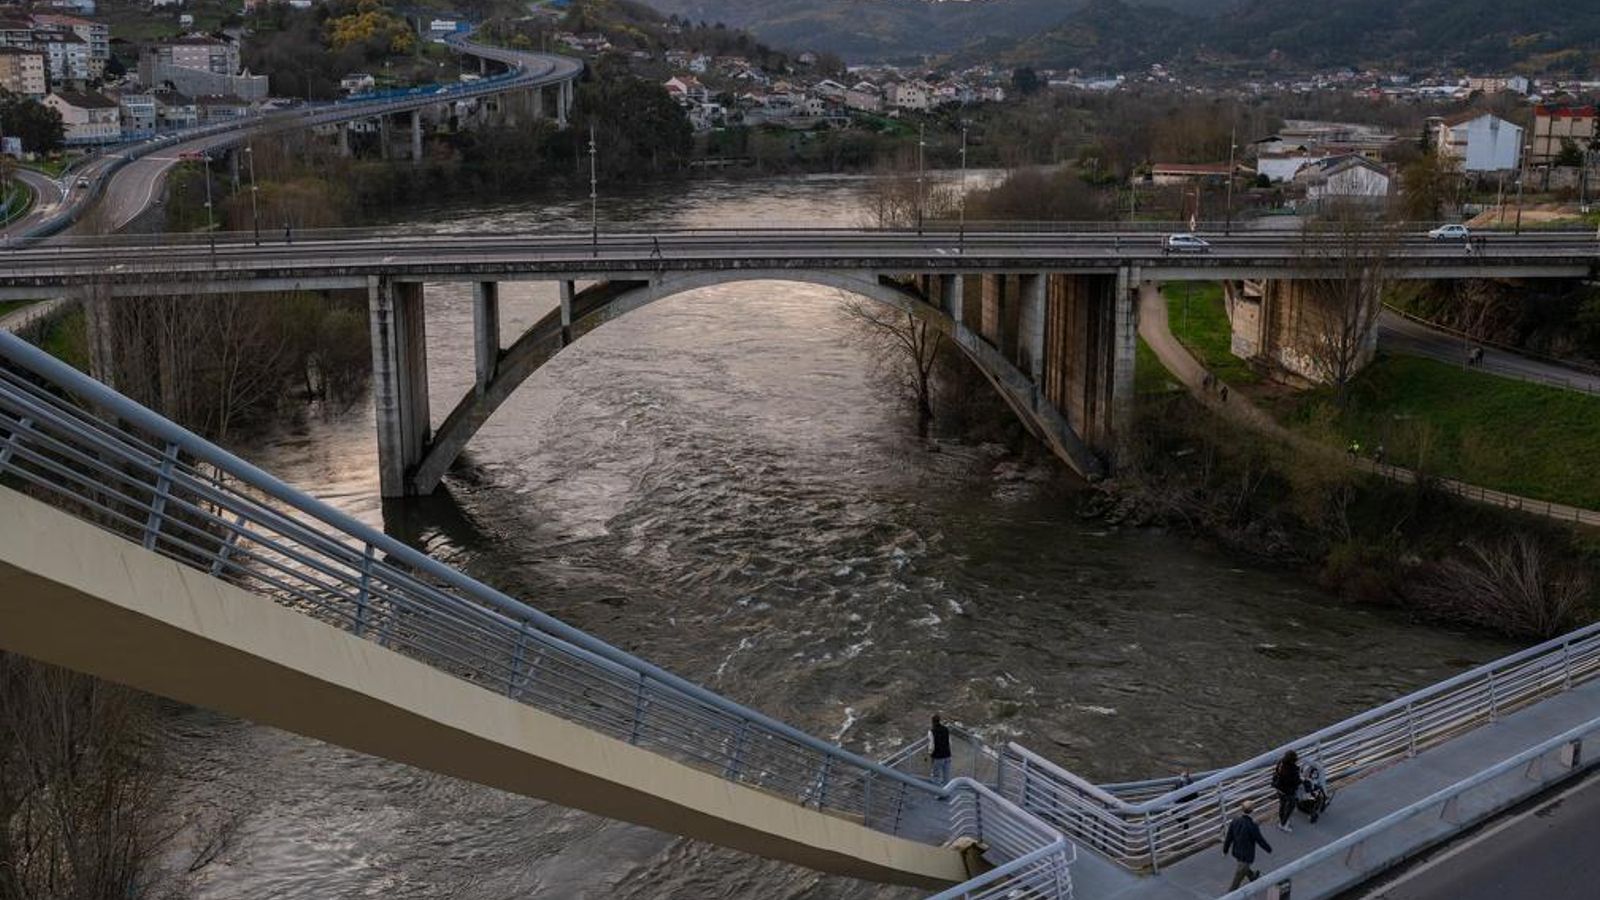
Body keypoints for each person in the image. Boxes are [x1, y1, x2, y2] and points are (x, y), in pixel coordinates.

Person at [1223, 799, 1272, 890]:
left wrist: (1225, 850)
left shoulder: (1235, 820)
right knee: (1237, 880)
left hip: (1236, 851)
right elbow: (1259, 839)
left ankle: (1252, 876)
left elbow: (1229, 836)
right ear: (1252, 811)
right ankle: (1231, 895)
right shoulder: (1252, 826)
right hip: (1246, 855)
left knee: (1243, 868)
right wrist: (1268, 849)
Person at [1272, 750, 1301, 832]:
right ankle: (1283, 824)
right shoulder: (1293, 769)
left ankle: (1282, 820)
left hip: (1279, 787)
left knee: (1282, 804)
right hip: (1287, 790)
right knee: (1291, 806)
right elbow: (1296, 781)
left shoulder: (1280, 763)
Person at [928, 715, 952, 784]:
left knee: (936, 776)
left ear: (932, 722)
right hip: (947, 755)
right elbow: (950, 742)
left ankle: (937, 792)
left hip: (938, 756)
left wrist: (930, 754)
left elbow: (931, 745)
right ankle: (947, 791)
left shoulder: (931, 731)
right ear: (939, 721)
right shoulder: (946, 729)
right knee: (946, 776)